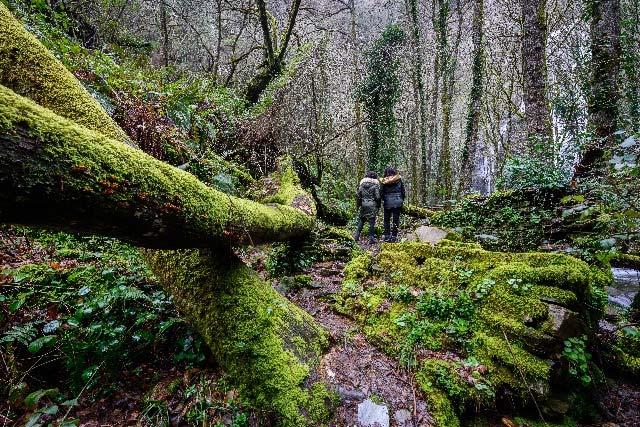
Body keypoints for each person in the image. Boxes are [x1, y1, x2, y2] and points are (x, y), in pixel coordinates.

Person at [355, 171, 381, 244]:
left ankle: (356, 236)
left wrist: (358, 206)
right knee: (371, 222)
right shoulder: (375, 185)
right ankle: (371, 238)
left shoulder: (362, 185)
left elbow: (358, 196)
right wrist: (378, 206)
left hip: (363, 205)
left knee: (362, 220)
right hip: (372, 205)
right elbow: (378, 197)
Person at [380, 167, 405, 242]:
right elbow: (403, 191)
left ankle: (387, 235)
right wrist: (401, 199)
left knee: (386, 220)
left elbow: (381, 192)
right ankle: (394, 236)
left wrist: (384, 199)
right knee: (396, 220)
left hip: (387, 202)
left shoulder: (384, 181)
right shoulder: (398, 179)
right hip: (398, 202)